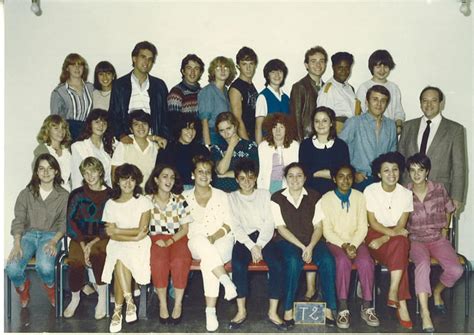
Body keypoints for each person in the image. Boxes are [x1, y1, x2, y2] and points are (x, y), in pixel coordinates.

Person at [271, 162, 337, 328]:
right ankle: (287, 309)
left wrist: (311, 246)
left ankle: (329, 309)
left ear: (305, 178)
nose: (295, 179)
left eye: (299, 175)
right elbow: (281, 228)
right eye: (291, 176)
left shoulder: (314, 196)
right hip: (287, 242)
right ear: (285, 179)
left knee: (328, 260)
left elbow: (318, 227)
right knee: (293, 262)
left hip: (313, 241)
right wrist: (302, 247)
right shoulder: (277, 198)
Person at [406, 153, 463, 332]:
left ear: (427, 171)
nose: (417, 174)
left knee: (456, 269)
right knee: (422, 264)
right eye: (413, 170)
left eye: (420, 170)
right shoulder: (404, 193)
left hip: (438, 238)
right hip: (415, 240)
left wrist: (445, 229)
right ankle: (425, 313)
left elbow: (449, 209)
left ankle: (437, 291)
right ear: (409, 172)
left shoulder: (439, 188)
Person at [228, 158, 286, 331]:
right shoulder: (231, 198)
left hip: (264, 238)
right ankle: (241, 311)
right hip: (244, 239)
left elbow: (269, 222)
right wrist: (250, 246)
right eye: (243, 178)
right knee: (238, 265)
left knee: (277, 265)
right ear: (237, 179)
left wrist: (259, 245)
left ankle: (273, 312)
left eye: (251, 177)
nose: (247, 182)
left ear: (256, 178)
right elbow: (235, 226)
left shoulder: (264, 194)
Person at [319, 164, 379, 329]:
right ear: (334, 179)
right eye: (340, 176)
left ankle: (367, 305)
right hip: (336, 242)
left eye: (349, 177)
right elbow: (327, 230)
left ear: (353, 179)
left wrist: (353, 244)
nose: (345, 180)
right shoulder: (326, 198)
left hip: (356, 241)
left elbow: (362, 227)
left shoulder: (359, 197)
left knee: (366, 262)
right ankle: (343, 307)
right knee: (343, 261)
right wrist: (344, 245)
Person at [6, 153, 68, 309]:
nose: (46, 172)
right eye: (41, 169)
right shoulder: (26, 194)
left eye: (50, 168)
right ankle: (22, 287)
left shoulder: (64, 196)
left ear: (56, 172)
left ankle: (51, 287)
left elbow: (64, 222)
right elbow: (19, 220)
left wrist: (54, 242)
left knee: (45, 267)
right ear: (36, 172)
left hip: (51, 236)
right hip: (28, 236)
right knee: (12, 268)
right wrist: (17, 244)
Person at [183, 156, 237, 332]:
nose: (204, 175)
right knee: (201, 242)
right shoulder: (183, 197)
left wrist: (214, 237)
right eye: (200, 171)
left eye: (207, 172)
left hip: (222, 239)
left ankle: (210, 311)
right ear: (193, 175)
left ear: (212, 177)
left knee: (209, 262)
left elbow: (229, 224)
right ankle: (226, 281)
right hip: (196, 243)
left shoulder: (222, 195)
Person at [398, 86, 466, 215]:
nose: (429, 104)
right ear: (420, 103)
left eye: (433, 100)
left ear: (441, 103)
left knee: (439, 234)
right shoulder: (408, 126)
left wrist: (456, 197)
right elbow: (400, 160)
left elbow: (459, 166)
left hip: (441, 195)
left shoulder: (455, 129)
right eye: (425, 100)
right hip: (409, 193)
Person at [363, 152, 413, 329]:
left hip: (391, 237)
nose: (391, 174)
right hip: (375, 235)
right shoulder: (370, 191)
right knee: (401, 245)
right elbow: (373, 223)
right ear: (379, 174)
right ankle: (401, 302)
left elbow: (401, 225)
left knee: (400, 245)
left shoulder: (406, 194)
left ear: (399, 172)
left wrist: (385, 239)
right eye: (386, 170)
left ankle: (394, 293)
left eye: (395, 169)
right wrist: (385, 237)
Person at [101, 163, 152, 333]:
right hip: (120, 242)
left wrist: (121, 231)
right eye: (124, 179)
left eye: (132, 179)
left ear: (136, 181)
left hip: (140, 244)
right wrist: (131, 234)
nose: (128, 183)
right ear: (117, 181)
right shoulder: (110, 204)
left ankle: (118, 311)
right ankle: (129, 302)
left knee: (119, 258)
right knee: (119, 255)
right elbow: (111, 234)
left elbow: (142, 230)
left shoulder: (143, 201)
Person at [145, 164, 192, 325]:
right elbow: (143, 226)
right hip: (155, 238)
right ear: (156, 179)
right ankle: (163, 304)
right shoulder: (147, 200)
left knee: (180, 261)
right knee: (159, 262)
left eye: (172, 177)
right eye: (165, 176)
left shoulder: (179, 200)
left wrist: (171, 240)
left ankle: (178, 304)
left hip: (177, 237)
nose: (169, 180)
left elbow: (185, 228)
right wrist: (154, 238)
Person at [64, 157, 111, 319]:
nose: (90, 175)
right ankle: (75, 298)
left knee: (98, 255)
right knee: (75, 260)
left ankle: (102, 298)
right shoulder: (77, 194)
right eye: (86, 172)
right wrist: (84, 244)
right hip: (80, 237)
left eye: (93, 171)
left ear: (100, 172)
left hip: (101, 237)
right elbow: (70, 221)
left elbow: (112, 223)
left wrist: (93, 243)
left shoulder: (111, 194)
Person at [109, 41, 169, 143]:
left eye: (150, 59)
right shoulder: (120, 85)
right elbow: (113, 115)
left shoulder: (159, 86)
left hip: (153, 140)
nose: (146, 62)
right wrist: (121, 135)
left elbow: (165, 117)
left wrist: (162, 138)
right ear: (134, 58)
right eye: (143, 57)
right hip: (128, 140)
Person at [339, 85, 397, 191]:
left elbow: (392, 156)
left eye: (383, 101)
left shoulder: (391, 125)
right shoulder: (354, 122)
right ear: (366, 101)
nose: (379, 104)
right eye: (375, 99)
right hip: (360, 180)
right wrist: (352, 173)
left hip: (383, 182)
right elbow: (338, 150)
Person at [299, 106, 350, 195]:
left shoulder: (341, 146)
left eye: (324, 121)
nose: (320, 124)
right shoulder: (305, 145)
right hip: (311, 193)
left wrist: (316, 172)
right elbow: (304, 171)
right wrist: (329, 173)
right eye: (317, 121)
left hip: (336, 193)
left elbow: (344, 172)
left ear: (331, 123)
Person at [356, 50, 405, 134]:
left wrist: (398, 126)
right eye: (378, 66)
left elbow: (399, 112)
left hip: (390, 132)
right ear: (372, 67)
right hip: (369, 132)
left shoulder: (394, 88)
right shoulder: (364, 87)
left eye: (385, 66)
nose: (382, 70)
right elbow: (359, 113)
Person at [156, 114, 209, 190]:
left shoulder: (202, 150)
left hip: (198, 190)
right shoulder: (167, 148)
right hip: (173, 191)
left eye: (193, 128)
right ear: (179, 130)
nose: (190, 131)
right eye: (187, 128)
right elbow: (159, 175)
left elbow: (210, 174)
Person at [111, 110, 160, 189]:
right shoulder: (123, 145)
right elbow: (114, 172)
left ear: (149, 127)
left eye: (144, 123)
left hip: (150, 194)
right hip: (128, 193)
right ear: (131, 129)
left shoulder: (156, 148)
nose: (141, 127)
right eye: (136, 124)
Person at [50, 53, 94, 141]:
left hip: (88, 133)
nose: (77, 68)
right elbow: (55, 120)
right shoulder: (59, 91)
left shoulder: (91, 88)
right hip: (69, 133)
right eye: (73, 65)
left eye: (80, 65)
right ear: (67, 68)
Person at [211, 112, 258, 193]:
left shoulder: (250, 146)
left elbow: (251, 173)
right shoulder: (216, 148)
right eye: (222, 130)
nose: (226, 133)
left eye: (229, 128)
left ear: (235, 126)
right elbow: (221, 170)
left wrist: (226, 174)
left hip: (243, 191)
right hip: (221, 192)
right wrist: (231, 147)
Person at [290, 46, 328, 141]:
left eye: (321, 61)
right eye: (313, 61)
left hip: (324, 139)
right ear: (306, 65)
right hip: (307, 139)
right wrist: (300, 143)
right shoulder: (299, 87)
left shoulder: (327, 87)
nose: (318, 65)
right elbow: (295, 119)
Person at [317, 52, 360, 133]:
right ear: (333, 67)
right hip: (338, 133)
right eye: (340, 67)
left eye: (347, 67)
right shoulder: (328, 90)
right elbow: (322, 119)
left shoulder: (349, 88)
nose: (344, 71)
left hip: (353, 131)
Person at [198, 56, 237, 146]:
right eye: (219, 68)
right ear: (213, 71)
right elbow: (204, 122)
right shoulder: (208, 91)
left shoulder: (226, 91)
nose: (223, 71)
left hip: (226, 136)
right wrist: (208, 146)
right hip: (212, 136)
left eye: (226, 68)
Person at [71, 109, 114, 189]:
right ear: (90, 124)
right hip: (86, 193)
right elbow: (76, 178)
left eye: (104, 123)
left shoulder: (111, 145)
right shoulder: (78, 147)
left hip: (106, 192)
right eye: (97, 122)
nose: (101, 126)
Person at [257, 113, 299, 193]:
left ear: (287, 129)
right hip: (267, 186)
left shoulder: (294, 146)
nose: (278, 131)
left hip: (288, 187)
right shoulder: (263, 146)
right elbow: (261, 172)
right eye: (274, 127)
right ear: (270, 129)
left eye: (281, 127)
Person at [255, 59, 290, 144]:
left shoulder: (286, 98)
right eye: (273, 72)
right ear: (267, 75)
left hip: (284, 143)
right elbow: (258, 126)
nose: (277, 75)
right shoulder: (263, 97)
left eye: (280, 71)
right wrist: (260, 148)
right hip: (268, 144)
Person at [33, 114, 72, 191]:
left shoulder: (68, 150)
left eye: (63, 128)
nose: (61, 131)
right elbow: (39, 177)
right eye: (56, 128)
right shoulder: (41, 150)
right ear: (48, 130)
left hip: (67, 193)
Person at [229, 47, 259, 140]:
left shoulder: (250, 85)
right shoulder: (236, 88)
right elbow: (237, 119)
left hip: (254, 136)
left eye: (251, 64)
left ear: (255, 65)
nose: (248, 68)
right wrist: (248, 144)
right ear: (238, 66)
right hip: (244, 139)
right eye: (244, 64)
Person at [167, 54, 204, 122]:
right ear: (183, 71)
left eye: (196, 68)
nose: (192, 72)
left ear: (200, 73)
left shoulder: (203, 93)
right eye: (189, 68)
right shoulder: (176, 93)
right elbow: (174, 123)